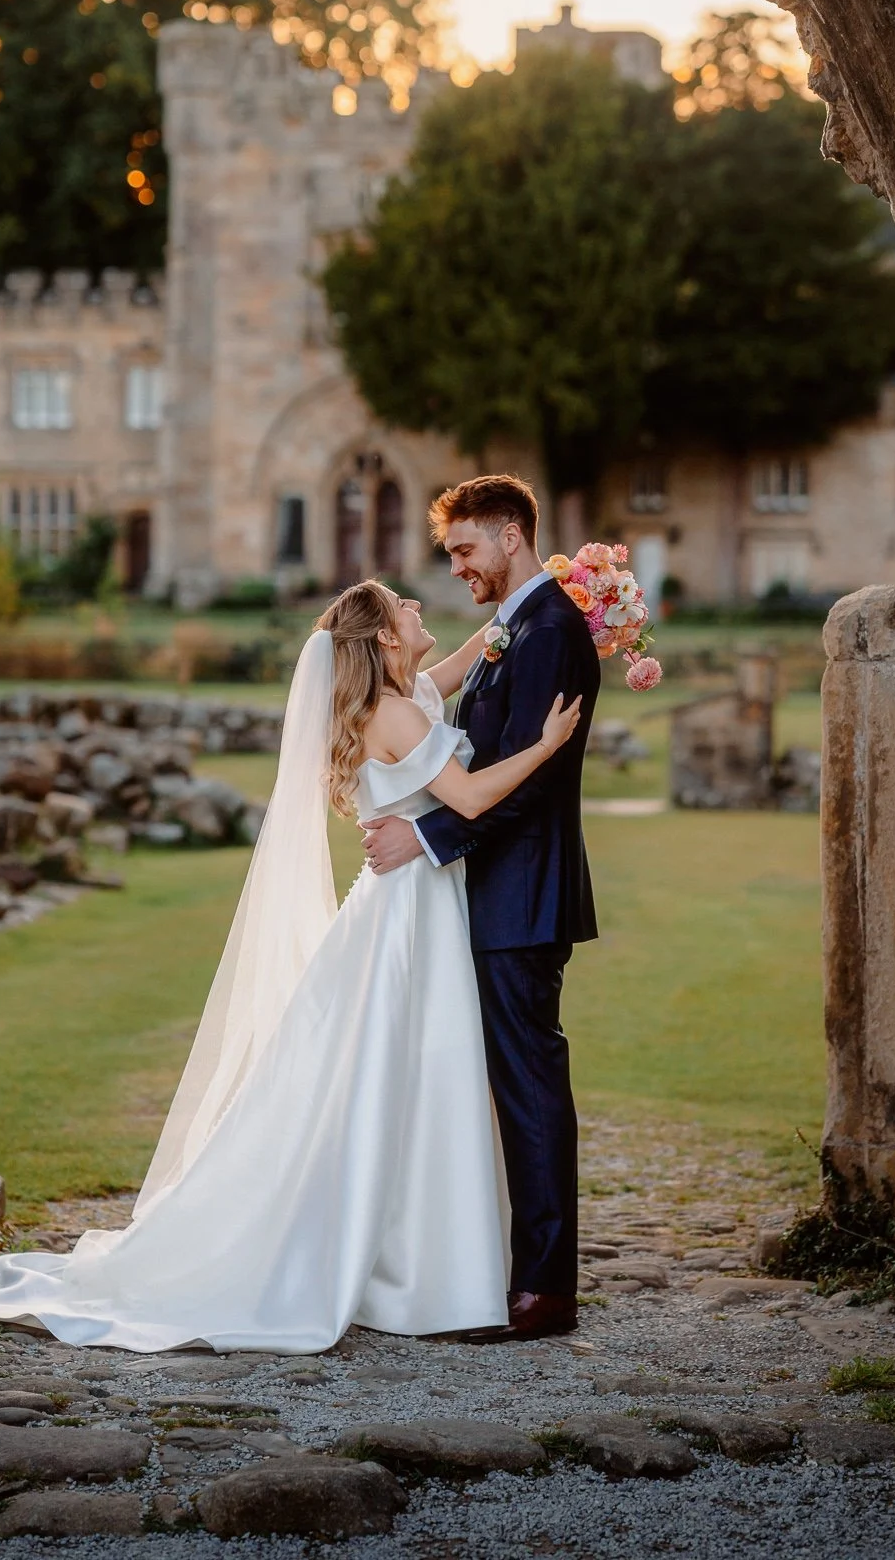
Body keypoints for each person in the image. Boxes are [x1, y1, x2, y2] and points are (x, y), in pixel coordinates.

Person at [0, 575, 581, 1353]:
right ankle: (406, 1267)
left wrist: (521, 613)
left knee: (397, 1082)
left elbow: (456, 671)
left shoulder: (397, 701)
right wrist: (544, 747)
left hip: (406, 905)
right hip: (408, 917)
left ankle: (409, 1259)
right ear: (382, 639)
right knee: (399, 1075)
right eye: (405, 605)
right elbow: (468, 799)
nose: (418, 607)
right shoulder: (398, 714)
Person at [362, 474, 600, 1342]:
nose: (458, 569)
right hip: (494, 893)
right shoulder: (520, 625)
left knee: (531, 1092)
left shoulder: (548, 630)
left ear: (509, 534)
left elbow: (527, 792)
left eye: (465, 550)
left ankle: (543, 1291)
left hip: (521, 896)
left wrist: (426, 843)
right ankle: (492, 1270)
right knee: (501, 1088)